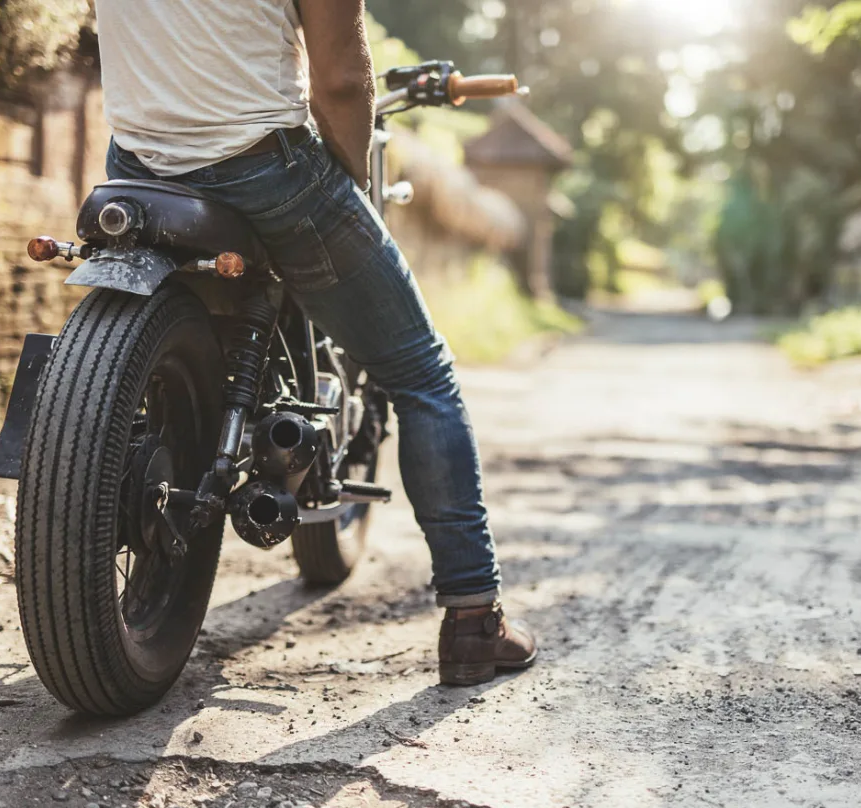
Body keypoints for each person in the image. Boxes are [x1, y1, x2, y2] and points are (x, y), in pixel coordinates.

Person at [93, 0, 536, 686]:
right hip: (262, 164)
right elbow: (341, 82)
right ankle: (476, 619)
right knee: (422, 373)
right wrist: (347, 186)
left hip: (136, 162)